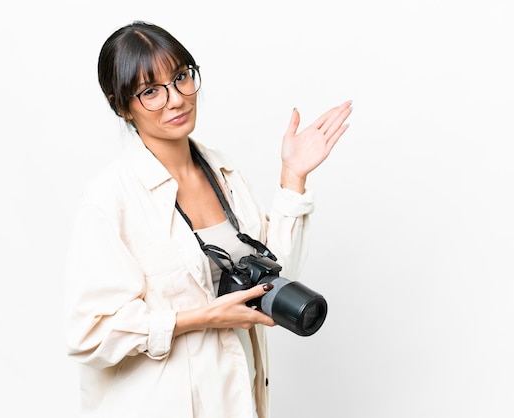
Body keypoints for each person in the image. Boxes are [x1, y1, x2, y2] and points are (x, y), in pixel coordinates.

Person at [64, 20, 352, 418]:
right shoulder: (110, 199)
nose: (177, 99)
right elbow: (89, 335)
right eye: (151, 92)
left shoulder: (222, 172)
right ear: (121, 106)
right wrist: (202, 318)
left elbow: (276, 273)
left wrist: (293, 176)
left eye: (181, 77)